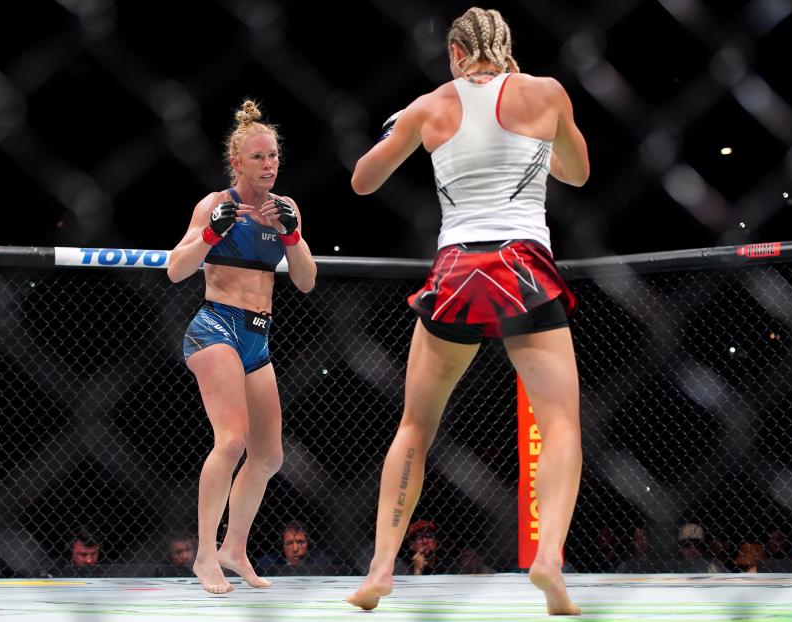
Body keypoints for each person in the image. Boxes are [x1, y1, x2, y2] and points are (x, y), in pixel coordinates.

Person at [346, 7, 588, 616]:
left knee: (414, 428)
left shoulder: (430, 105)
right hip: (524, 270)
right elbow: (578, 173)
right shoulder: (545, 93)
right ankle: (550, 559)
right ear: (505, 48)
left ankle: (380, 570)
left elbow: (363, 182)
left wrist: (400, 127)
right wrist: (541, 141)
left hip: (456, 272)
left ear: (455, 52)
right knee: (559, 424)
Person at [168, 99, 316, 594]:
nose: (269, 164)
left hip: (258, 335)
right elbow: (176, 269)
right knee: (231, 440)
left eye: (273, 156)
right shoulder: (215, 203)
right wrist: (212, 232)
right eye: (258, 157)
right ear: (237, 162)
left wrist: (291, 234)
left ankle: (235, 547)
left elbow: (306, 281)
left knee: (270, 455)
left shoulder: (285, 210)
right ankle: (205, 556)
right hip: (216, 328)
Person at [257, 521, 336, 576]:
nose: (295, 549)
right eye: (289, 543)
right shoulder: (265, 564)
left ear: (309, 543)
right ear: (281, 545)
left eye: (300, 542)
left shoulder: (324, 562)